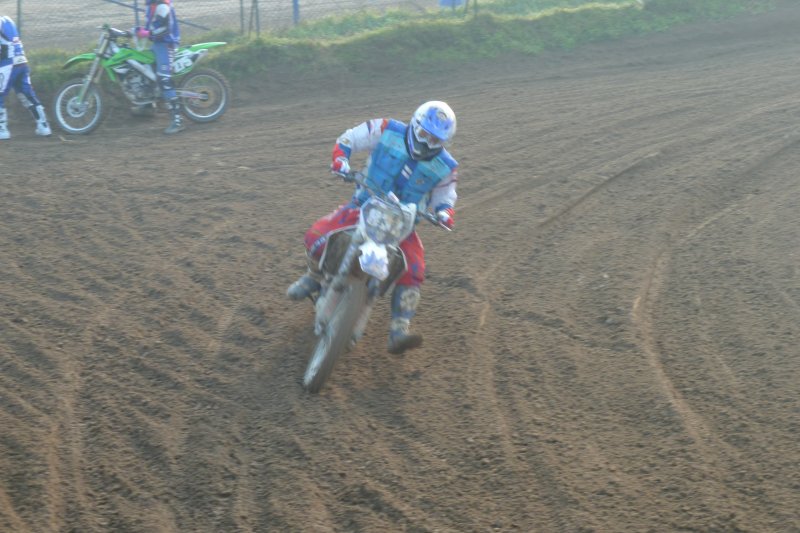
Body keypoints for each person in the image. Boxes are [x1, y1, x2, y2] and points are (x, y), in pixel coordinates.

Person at [287, 101, 459, 355]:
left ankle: (399, 329)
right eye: (423, 134)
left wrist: (444, 213)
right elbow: (350, 138)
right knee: (317, 236)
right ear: (414, 124)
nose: (426, 142)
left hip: (403, 226)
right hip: (363, 206)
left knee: (415, 270)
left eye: (434, 140)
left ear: (443, 142)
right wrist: (341, 159)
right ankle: (313, 277)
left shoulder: (446, 166)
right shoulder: (387, 129)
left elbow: (446, 197)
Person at [0, 15, 52, 140]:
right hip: (22, 61)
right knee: (27, 95)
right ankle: (44, 126)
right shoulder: (7, 20)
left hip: (8, 63)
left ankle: (2, 129)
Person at [136, 0, 183, 135]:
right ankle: (148, 106)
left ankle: (177, 120)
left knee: (164, 80)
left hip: (167, 45)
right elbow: (152, 27)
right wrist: (134, 31)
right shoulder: (152, 6)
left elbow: (165, 29)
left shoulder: (162, 5)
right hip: (157, 44)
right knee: (144, 70)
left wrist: (147, 34)